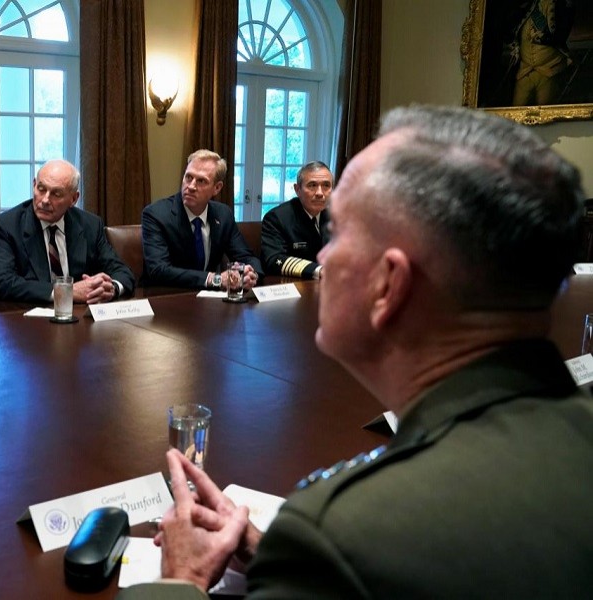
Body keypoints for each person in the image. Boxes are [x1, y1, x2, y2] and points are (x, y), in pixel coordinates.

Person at [121, 105, 593, 598]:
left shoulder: (337, 535)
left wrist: (182, 580)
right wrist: (273, 558)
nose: (322, 256)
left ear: (389, 284)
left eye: (341, 232)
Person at [0, 159, 134, 304]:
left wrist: (110, 288)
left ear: (74, 199)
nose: (44, 200)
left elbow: (122, 272)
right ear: (34, 185)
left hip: (79, 318)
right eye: (41, 189)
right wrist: (65, 292)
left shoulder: (90, 225)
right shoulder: (7, 226)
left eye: (56, 194)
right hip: (26, 319)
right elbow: (0, 283)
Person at [141, 150, 262, 291]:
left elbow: (246, 256)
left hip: (210, 301)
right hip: (167, 297)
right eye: (188, 177)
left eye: (201, 181)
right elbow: (159, 270)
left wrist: (250, 275)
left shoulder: (223, 214)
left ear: (217, 188)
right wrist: (215, 279)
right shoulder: (156, 214)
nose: (191, 186)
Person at [260, 161, 333, 279]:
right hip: (293, 287)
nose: (320, 193)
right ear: (297, 189)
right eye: (312, 185)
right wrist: (318, 270)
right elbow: (274, 259)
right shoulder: (277, 218)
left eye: (326, 185)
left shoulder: (335, 218)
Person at [507, 0, 575, 106]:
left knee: (546, 112)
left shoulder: (560, 5)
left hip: (550, 68)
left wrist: (543, 37)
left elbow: (560, 33)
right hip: (525, 70)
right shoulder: (529, 6)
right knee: (516, 109)